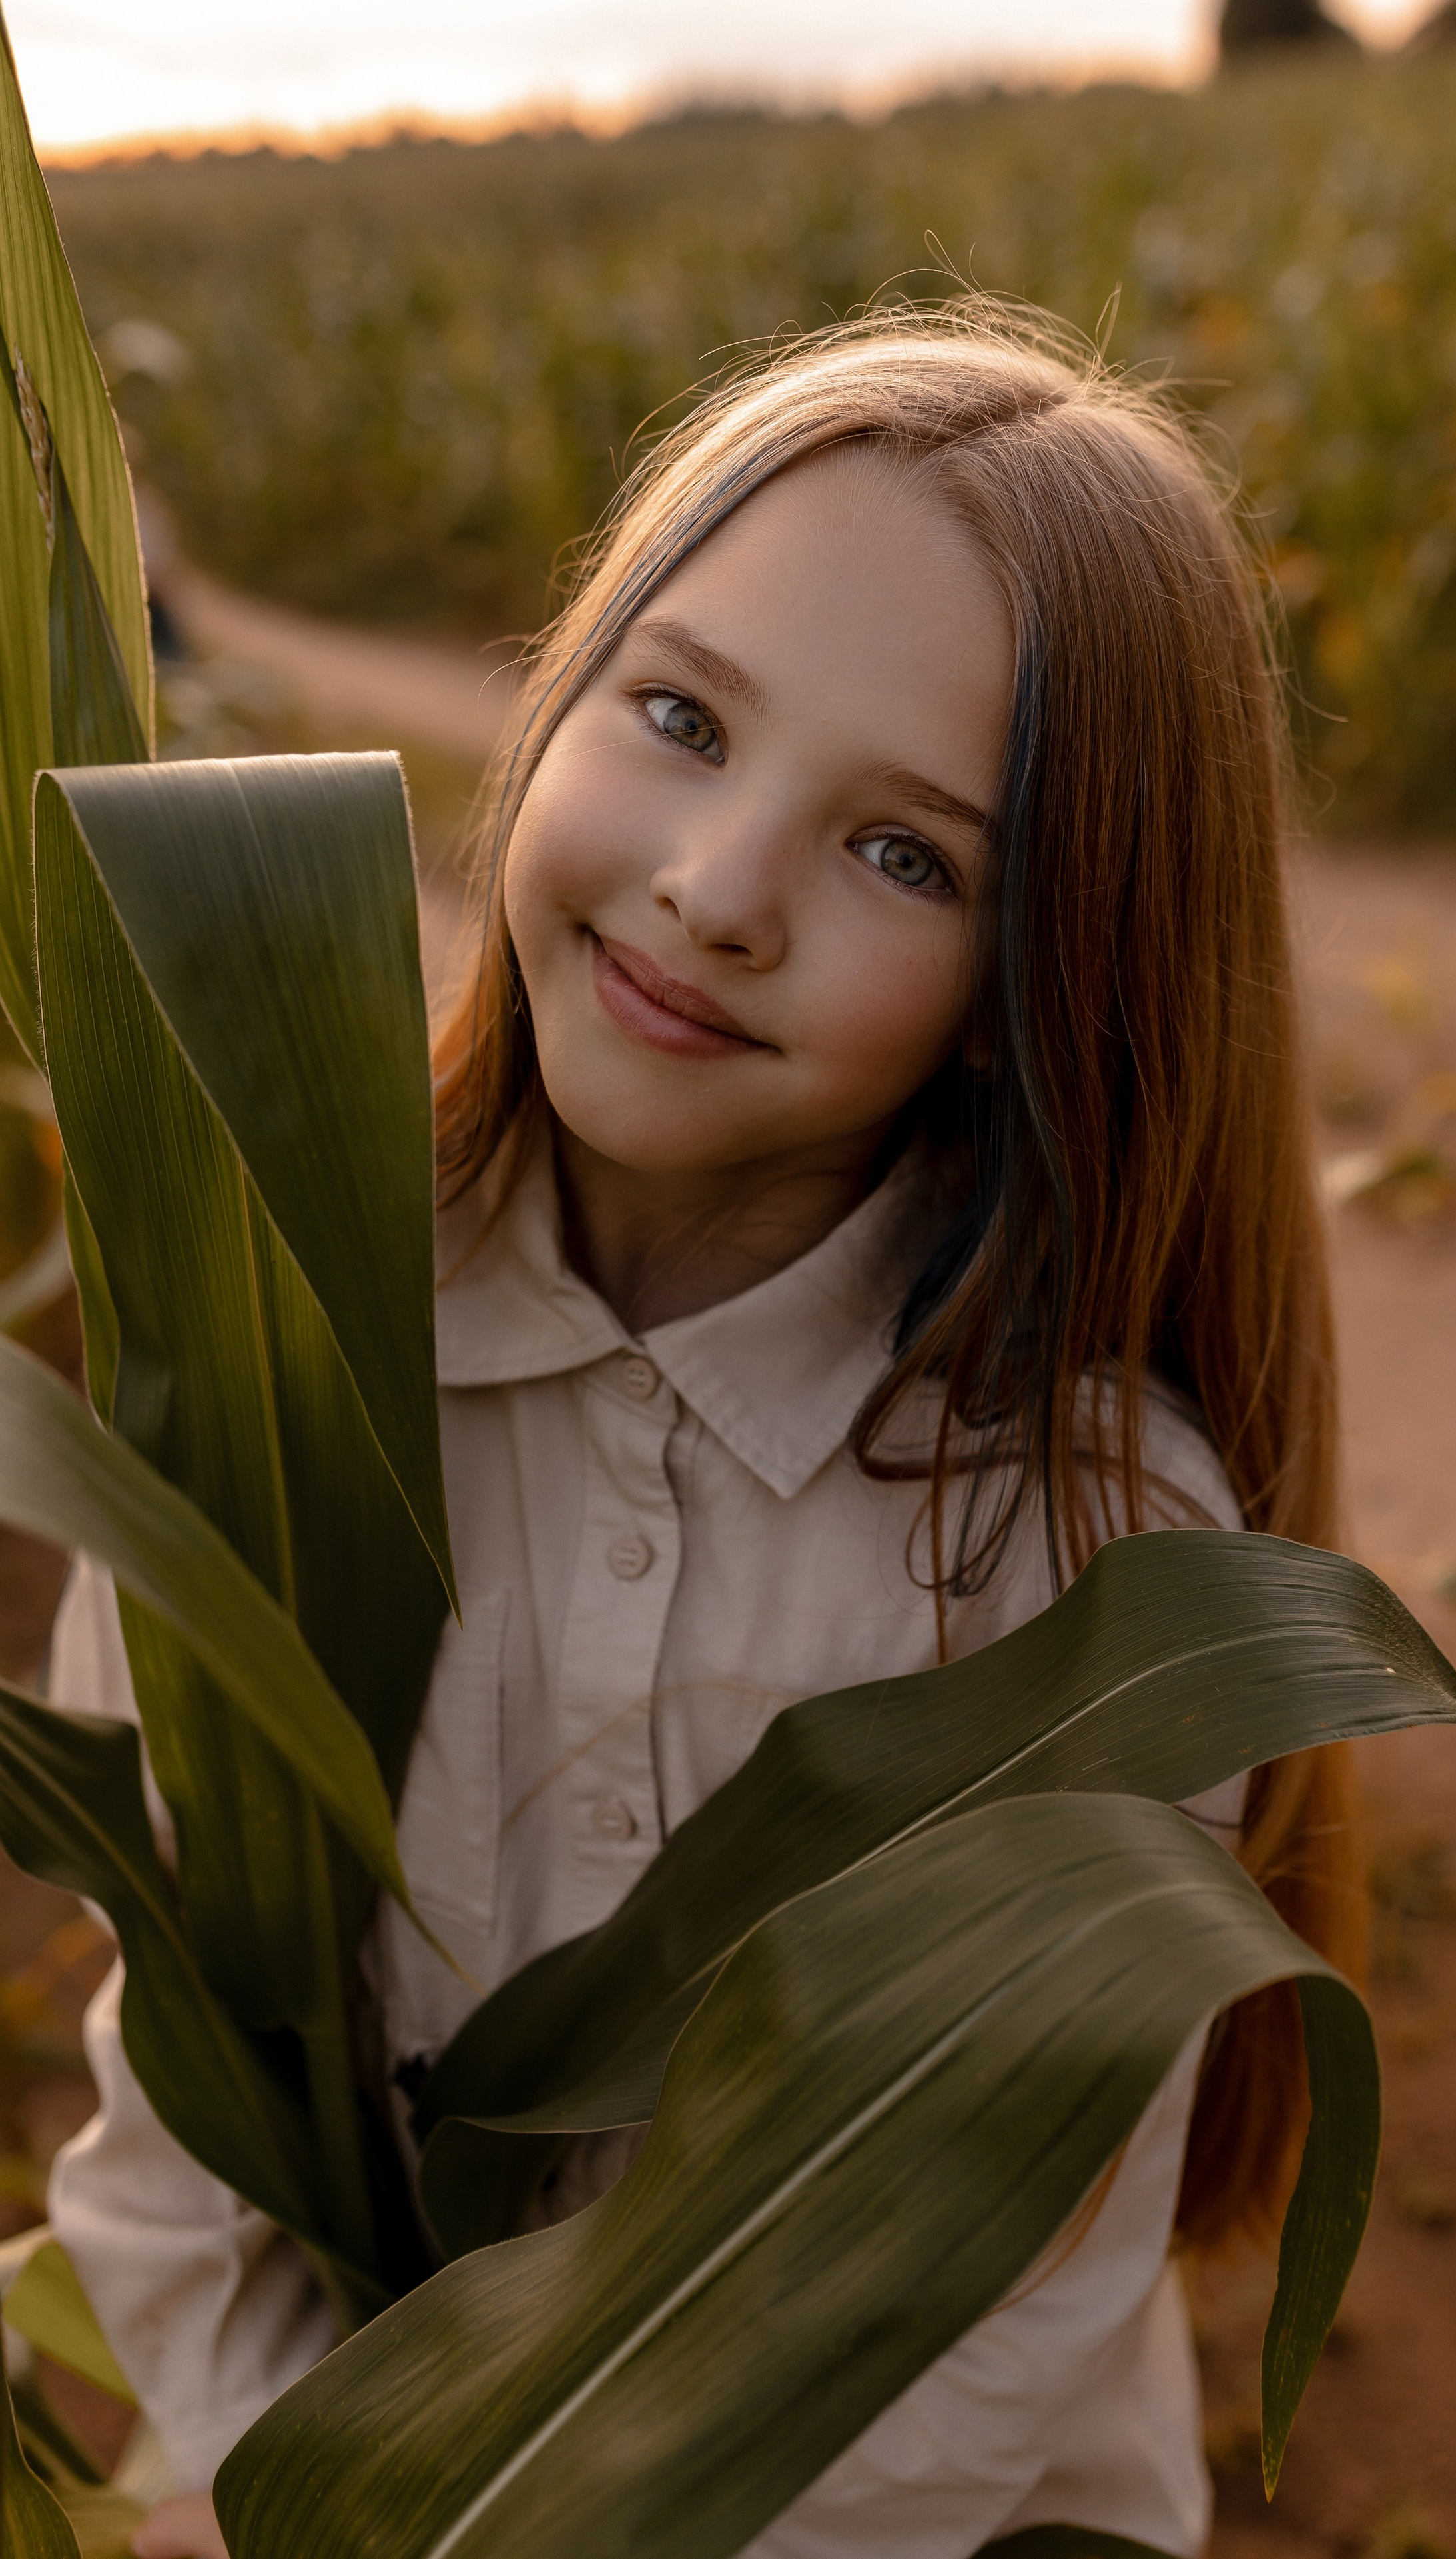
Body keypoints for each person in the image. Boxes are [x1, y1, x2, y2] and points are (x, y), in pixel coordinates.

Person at [47, 304, 1356, 2559]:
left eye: (906, 856)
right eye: (680, 716)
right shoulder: (262, 1356)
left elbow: (971, 2347)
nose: (719, 887)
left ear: (1035, 979)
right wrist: (303, 2497)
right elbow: (184, 2109)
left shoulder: (1088, 1561)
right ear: (556, 700)